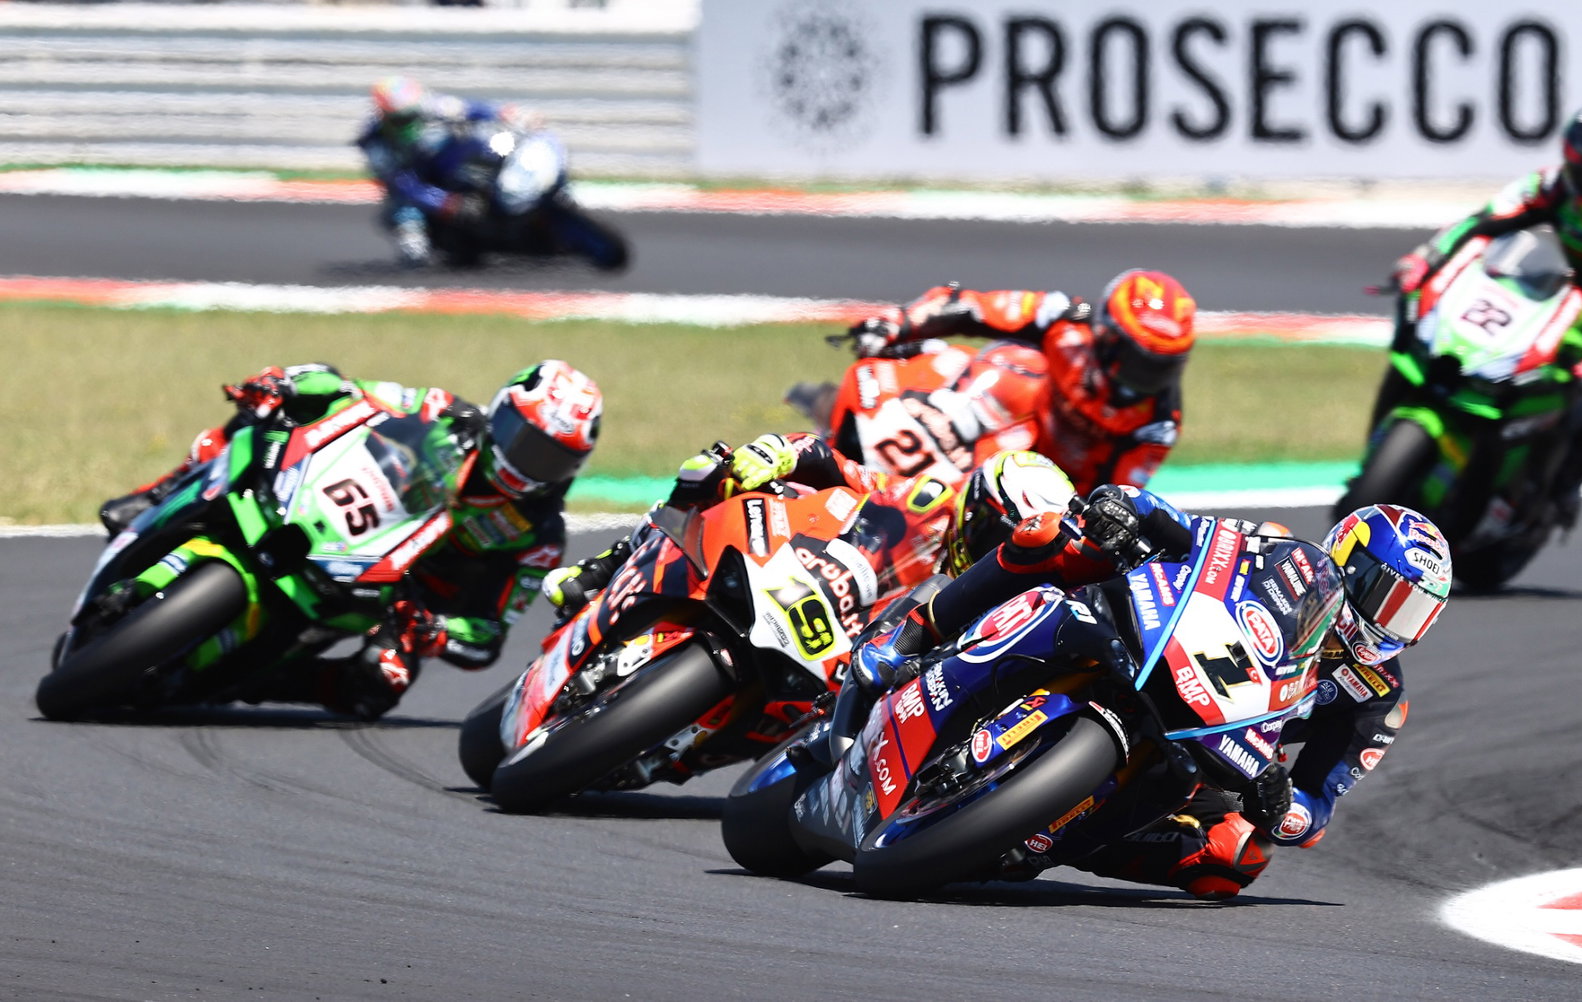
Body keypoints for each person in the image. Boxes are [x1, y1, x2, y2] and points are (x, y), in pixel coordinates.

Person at [846, 490, 1452, 900]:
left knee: (1237, 859)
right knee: (1057, 535)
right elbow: (1197, 535)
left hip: (1219, 749)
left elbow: (1319, 803)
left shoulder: (1379, 698)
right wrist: (1131, 509)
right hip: (1154, 636)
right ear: (1347, 559)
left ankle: (1045, 839)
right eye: (1389, 597)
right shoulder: (1282, 551)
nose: (1393, 623)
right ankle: (917, 633)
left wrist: (1282, 804)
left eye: (1415, 613)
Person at [98, 359, 603, 719]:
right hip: (335, 514)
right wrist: (290, 383)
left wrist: (433, 630)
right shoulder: (441, 412)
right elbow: (351, 390)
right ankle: (156, 493)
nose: (526, 463)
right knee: (257, 420)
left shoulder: (538, 535)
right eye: (522, 438)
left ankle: (241, 682)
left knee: (378, 685)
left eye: (548, 457)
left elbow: (489, 636)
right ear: (500, 413)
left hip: (394, 597)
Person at [541, 433, 1077, 625]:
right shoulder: (927, 499)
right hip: (807, 585)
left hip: (857, 665)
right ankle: (606, 568)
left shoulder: (1001, 603)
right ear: (974, 508)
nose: (989, 549)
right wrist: (779, 452)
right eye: (989, 530)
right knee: (717, 471)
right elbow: (834, 466)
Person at [1382, 100, 1582, 520]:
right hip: (1558, 288)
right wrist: (1426, 258)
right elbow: (1480, 223)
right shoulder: (1552, 187)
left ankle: (1568, 475)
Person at [845, 270, 1196, 492]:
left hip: (1052, 488)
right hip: (1010, 422)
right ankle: (881, 433)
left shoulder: (1159, 422)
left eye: (1162, 366)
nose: (1148, 377)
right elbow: (971, 307)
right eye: (1140, 361)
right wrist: (898, 322)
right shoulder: (1065, 318)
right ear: (1106, 334)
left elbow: (1119, 492)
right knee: (1010, 363)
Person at [356, 76, 539, 268]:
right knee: (404, 213)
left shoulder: (435, 106)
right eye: (399, 119)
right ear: (383, 114)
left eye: (411, 115)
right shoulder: (375, 143)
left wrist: (506, 113)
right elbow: (403, 184)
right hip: (419, 186)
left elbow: (473, 109)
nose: (407, 122)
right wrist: (445, 203)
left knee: (484, 142)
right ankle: (418, 241)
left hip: (450, 169)